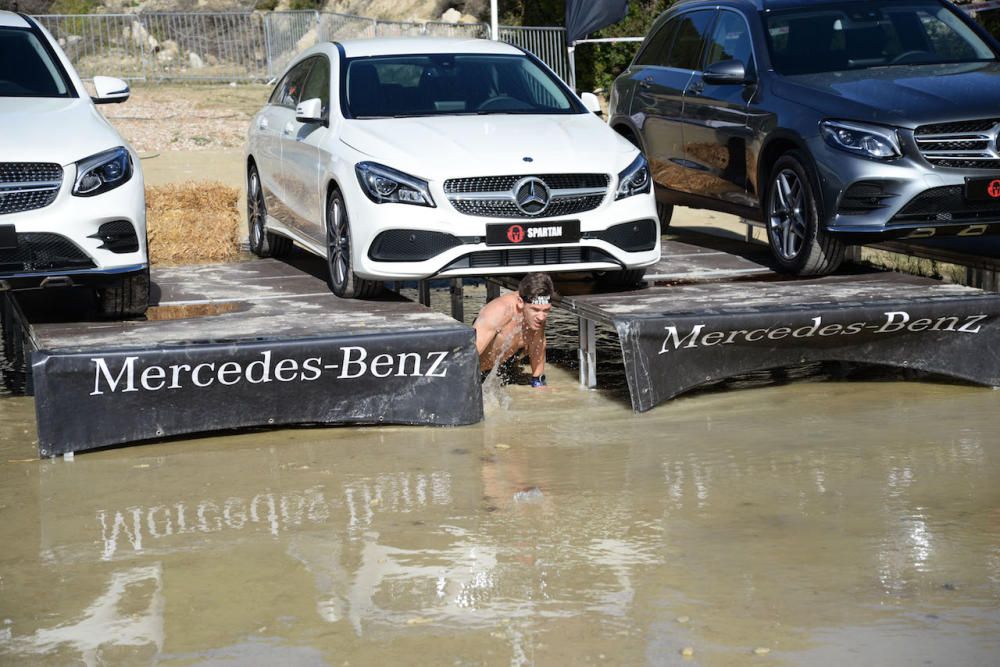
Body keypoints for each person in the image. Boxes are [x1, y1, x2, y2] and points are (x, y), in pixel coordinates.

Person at [474, 273, 557, 387]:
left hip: (503, 369)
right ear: (520, 302)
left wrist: (539, 382)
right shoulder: (499, 311)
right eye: (535, 309)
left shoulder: (536, 316)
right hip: (477, 373)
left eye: (546, 310)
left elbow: (537, 344)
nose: (542, 317)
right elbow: (468, 354)